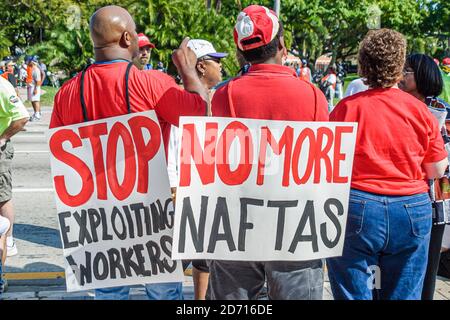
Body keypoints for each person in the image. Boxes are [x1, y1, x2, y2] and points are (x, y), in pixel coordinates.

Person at [49, 5, 208, 300]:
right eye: (134, 34)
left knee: (110, 295)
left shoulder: (66, 94)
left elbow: (62, 162)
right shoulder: (151, 84)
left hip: (99, 220)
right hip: (152, 215)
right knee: (164, 295)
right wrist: (187, 70)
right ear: (126, 38)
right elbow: (201, 117)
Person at [208, 4, 329, 300]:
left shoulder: (223, 95)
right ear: (282, 46)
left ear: (240, 52)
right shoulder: (312, 95)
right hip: (295, 225)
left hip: (237, 223)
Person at [327, 29, 448, 300]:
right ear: (399, 67)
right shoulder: (421, 111)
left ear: (364, 64)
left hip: (356, 207)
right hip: (412, 209)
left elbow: (330, 162)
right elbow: (437, 170)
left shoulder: (345, 108)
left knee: (352, 292)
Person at [167, 38, 227, 300]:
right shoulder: (180, 99)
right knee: (175, 259)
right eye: (217, 61)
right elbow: (172, 151)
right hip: (181, 190)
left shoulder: (217, 99)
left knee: (206, 255)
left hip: (207, 189)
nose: (222, 67)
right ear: (201, 66)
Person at [398, 53, 450, 300]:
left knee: (427, 276)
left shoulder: (441, 111)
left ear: (422, 75)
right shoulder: (394, 104)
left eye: (406, 71)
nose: (400, 76)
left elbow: (445, 167)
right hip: (399, 201)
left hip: (433, 201)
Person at [0, 76, 29, 268]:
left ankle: (8, 240)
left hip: (0, 149)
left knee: (2, 195)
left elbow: (22, 117)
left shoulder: (2, 85)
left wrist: (3, 138)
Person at [28, 56, 42, 121]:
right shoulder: (32, 68)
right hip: (31, 86)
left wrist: (36, 89)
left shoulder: (36, 69)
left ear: (32, 62)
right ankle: (36, 113)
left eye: (29, 61)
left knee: (36, 100)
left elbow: (38, 81)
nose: (28, 62)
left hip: (35, 87)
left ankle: (37, 115)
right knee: (33, 100)